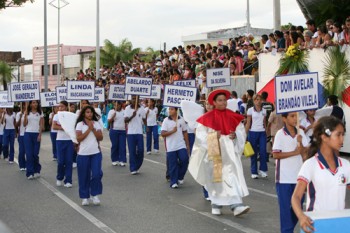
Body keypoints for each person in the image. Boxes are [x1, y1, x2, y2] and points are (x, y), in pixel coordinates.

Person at [188, 89, 250, 216]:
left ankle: (236, 205)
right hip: (214, 147)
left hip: (229, 150)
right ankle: (216, 203)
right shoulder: (206, 118)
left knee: (232, 175)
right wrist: (213, 135)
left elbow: (240, 131)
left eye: (224, 100)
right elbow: (200, 136)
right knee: (216, 177)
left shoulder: (233, 115)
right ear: (214, 103)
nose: (223, 103)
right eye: (220, 100)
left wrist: (235, 135)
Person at [291, 116, 350, 233]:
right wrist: (301, 216)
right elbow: (296, 197)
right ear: (324, 137)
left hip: (341, 223)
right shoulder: (310, 165)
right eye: (338, 135)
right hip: (316, 224)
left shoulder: (346, 165)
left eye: (343, 135)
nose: (342, 139)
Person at [272, 112, 309, 233]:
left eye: (296, 116)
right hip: (283, 178)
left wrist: (301, 144)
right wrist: (295, 152)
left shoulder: (301, 132)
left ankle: (287, 230)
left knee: (297, 208)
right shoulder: (280, 134)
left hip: (299, 178)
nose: (295, 119)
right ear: (284, 118)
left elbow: (306, 153)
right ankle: (287, 231)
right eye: (292, 116)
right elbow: (275, 154)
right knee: (285, 210)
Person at [76, 106, 103, 206]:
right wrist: (89, 129)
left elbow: (100, 138)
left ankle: (95, 195)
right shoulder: (80, 124)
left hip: (95, 153)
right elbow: (78, 139)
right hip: (83, 154)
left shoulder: (96, 124)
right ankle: (85, 197)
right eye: (87, 112)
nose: (90, 114)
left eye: (91, 112)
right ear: (83, 114)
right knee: (83, 176)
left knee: (96, 174)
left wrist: (93, 129)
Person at [161, 107, 190, 189]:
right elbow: (163, 134)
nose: (169, 111)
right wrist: (172, 131)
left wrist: (187, 144)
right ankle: (174, 182)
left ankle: (180, 176)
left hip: (181, 144)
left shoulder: (181, 119)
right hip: (170, 146)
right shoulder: (166, 120)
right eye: (169, 109)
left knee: (185, 159)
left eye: (172, 109)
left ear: (177, 110)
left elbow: (185, 132)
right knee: (173, 165)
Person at [245, 94, 268, 179]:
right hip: (253, 132)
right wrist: (244, 134)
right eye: (256, 100)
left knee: (263, 152)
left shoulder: (264, 111)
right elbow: (248, 123)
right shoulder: (250, 110)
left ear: (262, 100)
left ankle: (263, 170)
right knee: (253, 153)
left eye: (259, 99)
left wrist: (266, 132)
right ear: (254, 101)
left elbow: (265, 123)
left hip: (262, 132)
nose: (258, 101)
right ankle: (254, 172)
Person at [53, 101, 74, 188]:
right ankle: (59, 177)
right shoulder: (56, 116)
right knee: (61, 161)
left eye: (62, 106)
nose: (60, 108)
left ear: (66, 107)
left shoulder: (70, 116)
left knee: (69, 161)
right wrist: (64, 128)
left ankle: (68, 180)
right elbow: (54, 126)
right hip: (60, 140)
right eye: (59, 107)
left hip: (69, 140)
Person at [124, 96, 146, 175]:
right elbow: (125, 120)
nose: (134, 100)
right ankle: (133, 168)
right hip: (130, 133)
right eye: (133, 98)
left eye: (135, 98)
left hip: (139, 133)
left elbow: (144, 119)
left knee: (141, 151)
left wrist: (146, 127)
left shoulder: (142, 108)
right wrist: (132, 116)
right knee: (132, 151)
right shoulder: (127, 108)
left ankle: (137, 166)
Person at [23, 100, 44, 180]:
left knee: (35, 154)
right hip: (28, 134)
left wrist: (40, 135)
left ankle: (37, 170)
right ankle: (30, 173)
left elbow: (41, 124)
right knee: (29, 154)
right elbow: (24, 124)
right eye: (33, 102)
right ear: (30, 104)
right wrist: (25, 115)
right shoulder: (27, 112)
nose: (35, 104)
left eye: (36, 102)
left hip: (36, 134)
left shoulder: (40, 112)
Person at [108, 101, 126, 166]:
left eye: (118, 105)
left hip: (122, 130)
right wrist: (113, 116)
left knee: (122, 146)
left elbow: (126, 121)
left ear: (120, 105)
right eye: (115, 105)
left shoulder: (124, 111)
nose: (116, 106)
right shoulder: (111, 111)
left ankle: (122, 160)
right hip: (114, 130)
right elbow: (109, 121)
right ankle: (114, 159)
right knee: (115, 145)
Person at [15, 103, 26, 170]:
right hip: (21, 135)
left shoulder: (30, 113)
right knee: (22, 151)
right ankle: (22, 165)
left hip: (29, 134)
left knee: (29, 152)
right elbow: (16, 125)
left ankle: (28, 165)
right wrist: (21, 117)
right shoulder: (19, 114)